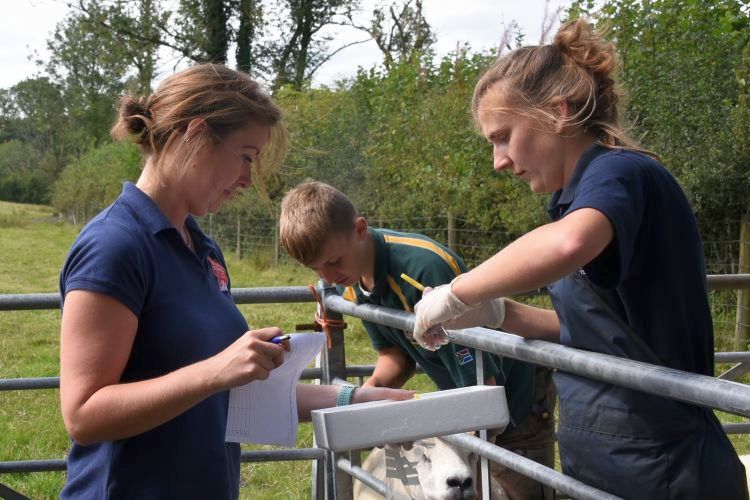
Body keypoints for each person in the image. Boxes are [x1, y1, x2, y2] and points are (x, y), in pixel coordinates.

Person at [412, 19, 749, 499]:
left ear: (558, 112)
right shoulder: (576, 201)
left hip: (661, 464)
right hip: (604, 456)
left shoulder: (622, 172)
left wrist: (460, 290)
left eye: (503, 136)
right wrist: (502, 314)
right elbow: (600, 333)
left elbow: (568, 243)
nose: (499, 161)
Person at [58, 64, 413, 500]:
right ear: (196, 134)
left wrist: (358, 401)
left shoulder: (203, 250)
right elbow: (83, 414)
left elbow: (234, 393)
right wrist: (215, 372)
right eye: (246, 156)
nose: (247, 179)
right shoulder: (115, 245)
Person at [279, 180, 556, 499]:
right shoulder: (354, 282)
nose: (328, 278)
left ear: (359, 229)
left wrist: (474, 445)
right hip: (465, 397)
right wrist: (365, 399)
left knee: (513, 488)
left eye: (334, 262)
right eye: (317, 269)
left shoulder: (424, 269)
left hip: (513, 396)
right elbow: (395, 354)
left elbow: (480, 371)